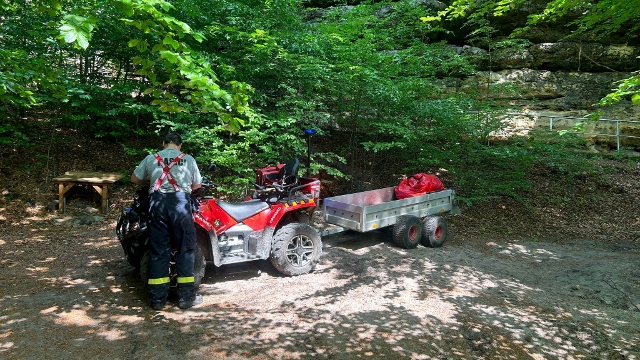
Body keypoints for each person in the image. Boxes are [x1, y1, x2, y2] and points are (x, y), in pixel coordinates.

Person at [131, 132, 203, 310]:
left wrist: (152, 177)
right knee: (185, 248)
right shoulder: (188, 159)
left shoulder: (151, 158)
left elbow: (135, 179)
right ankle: (186, 298)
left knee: (159, 249)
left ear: (163, 144)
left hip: (158, 204)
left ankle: (157, 300)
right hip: (180, 204)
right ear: (180, 145)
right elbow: (197, 185)